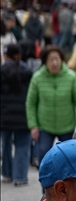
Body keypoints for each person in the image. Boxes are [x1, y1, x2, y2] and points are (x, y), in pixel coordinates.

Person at [26, 46, 76, 171]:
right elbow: (30, 103)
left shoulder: (71, 77)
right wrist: (33, 125)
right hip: (44, 125)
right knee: (44, 155)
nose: (54, 63)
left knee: (68, 157)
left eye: (57, 59)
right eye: (51, 60)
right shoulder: (37, 77)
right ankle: (46, 182)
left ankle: (66, 181)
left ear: (62, 60)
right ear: (45, 62)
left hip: (66, 124)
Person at [1, 43, 34, 187]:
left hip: (4, 116)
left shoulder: (2, 71)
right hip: (23, 115)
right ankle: (20, 176)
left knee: (6, 145)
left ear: (5, 55)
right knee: (23, 146)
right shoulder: (28, 72)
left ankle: (6, 173)